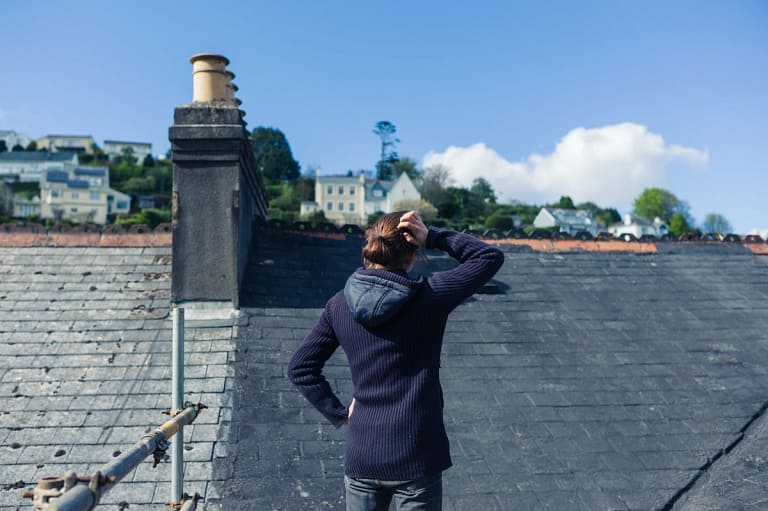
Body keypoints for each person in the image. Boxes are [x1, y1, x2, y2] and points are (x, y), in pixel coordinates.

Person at [288, 211, 504, 511]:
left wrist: (339, 413)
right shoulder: (430, 296)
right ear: (412, 255)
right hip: (416, 455)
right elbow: (488, 258)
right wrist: (433, 236)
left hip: (363, 454)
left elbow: (300, 368)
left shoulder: (338, 305)